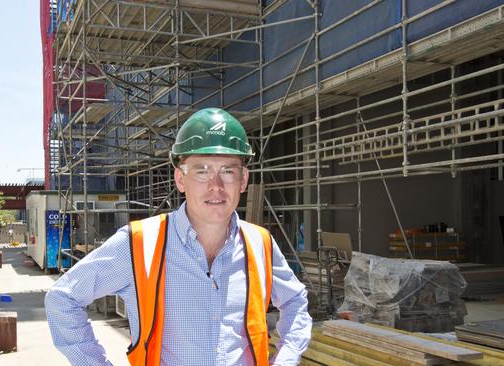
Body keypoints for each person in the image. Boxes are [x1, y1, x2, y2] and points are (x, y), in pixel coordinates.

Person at [45, 108, 312, 365]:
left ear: (243, 180)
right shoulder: (139, 243)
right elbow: (63, 298)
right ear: (180, 179)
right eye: (201, 171)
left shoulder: (259, 244)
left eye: (228, 171)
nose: (216, 186)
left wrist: (285, 360)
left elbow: (295, 300)